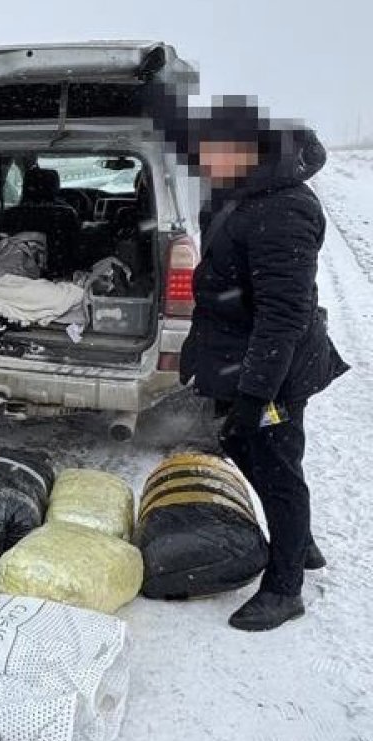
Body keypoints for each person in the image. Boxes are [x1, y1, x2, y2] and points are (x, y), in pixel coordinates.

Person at [149, 87, 348, 631]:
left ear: (250, 146)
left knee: (277, 467)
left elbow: (281, 320)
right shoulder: (241, 190)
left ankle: (285, 588)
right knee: (251, 450)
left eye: (213, 151)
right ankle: (299, 540)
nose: (202, 161)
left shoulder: (284, 209)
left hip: (272, 371)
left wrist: (255, 397)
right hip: (240, 356)